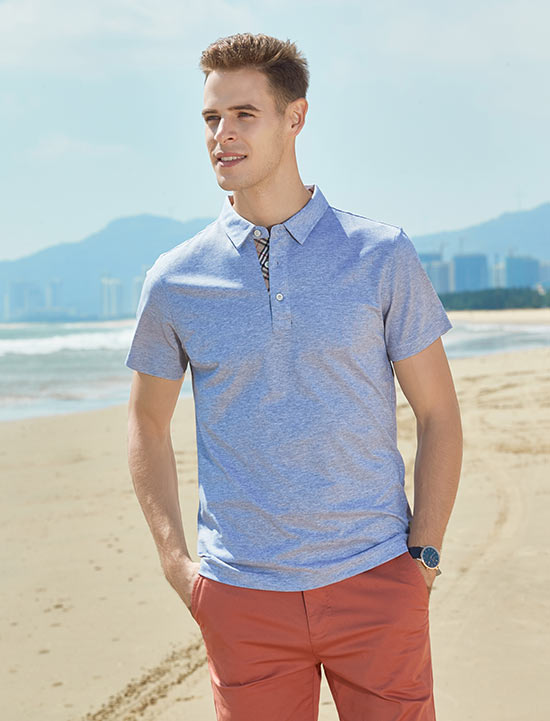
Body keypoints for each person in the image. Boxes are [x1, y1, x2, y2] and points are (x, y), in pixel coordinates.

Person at [125, 31, 463, 721]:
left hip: (376, 580)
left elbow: (439, 414)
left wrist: (422, 556)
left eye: (244, 114)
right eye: (211, 118)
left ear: (295, 117)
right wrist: (176, 564)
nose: (222, 134)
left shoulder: (380, 254)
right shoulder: (174, 279)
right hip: (241, 596)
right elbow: (145, 422)